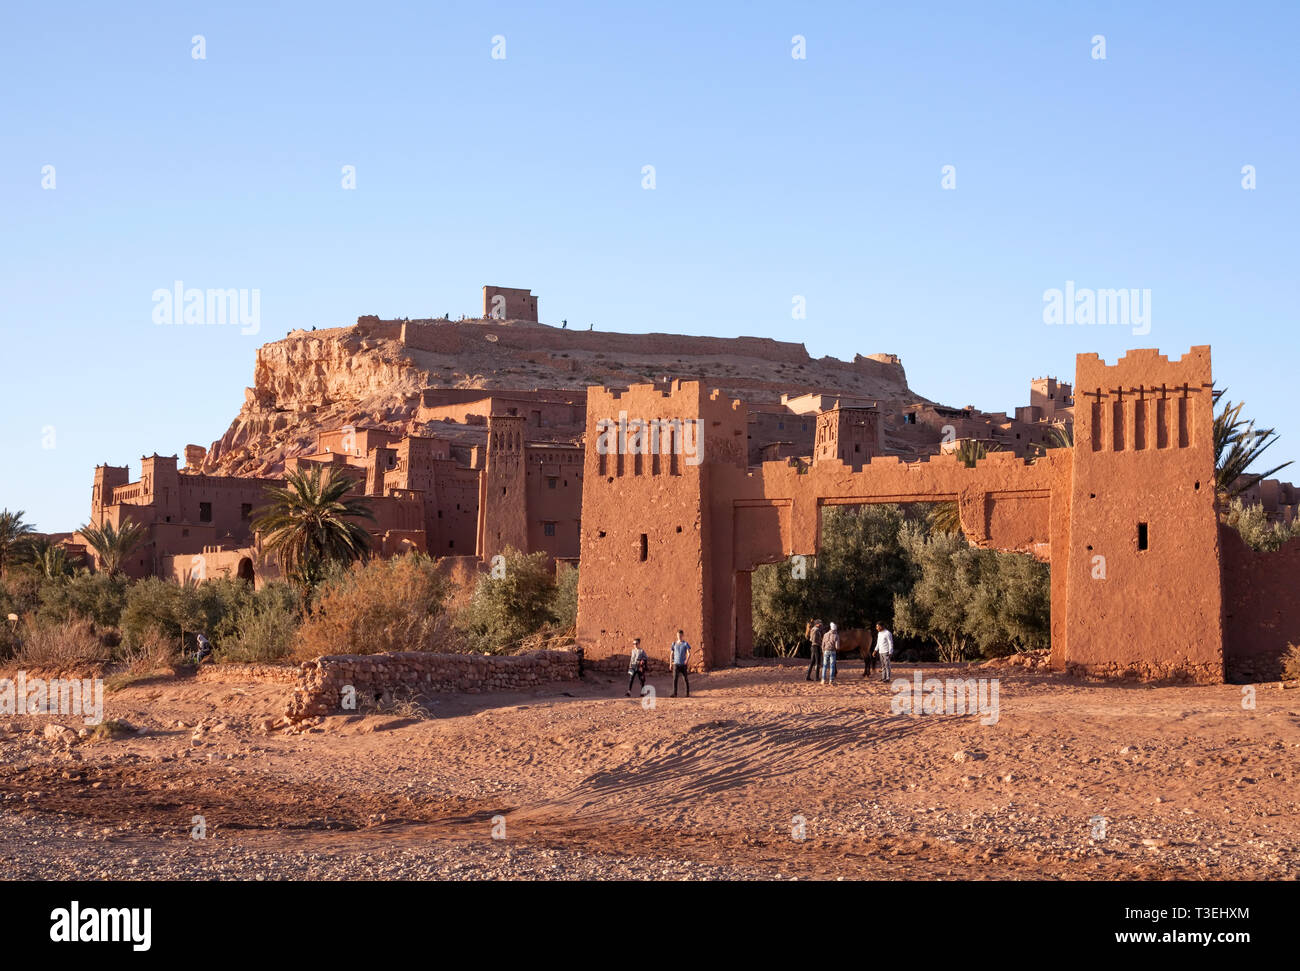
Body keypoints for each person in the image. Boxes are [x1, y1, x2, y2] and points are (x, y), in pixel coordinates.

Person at [670, 630, 691, 697]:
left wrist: (687, 660)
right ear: (677, 635)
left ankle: (687, 693)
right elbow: (671, 654)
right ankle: (674, 693)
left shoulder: (685, 644)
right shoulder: (674, 644)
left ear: (682, 635)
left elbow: (689, 653)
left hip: (683, 664)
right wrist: (670, 663)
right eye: (678, 635)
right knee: (675, 679)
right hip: (676, 664)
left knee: (685, 678)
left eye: (680, 635)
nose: (679, 636)